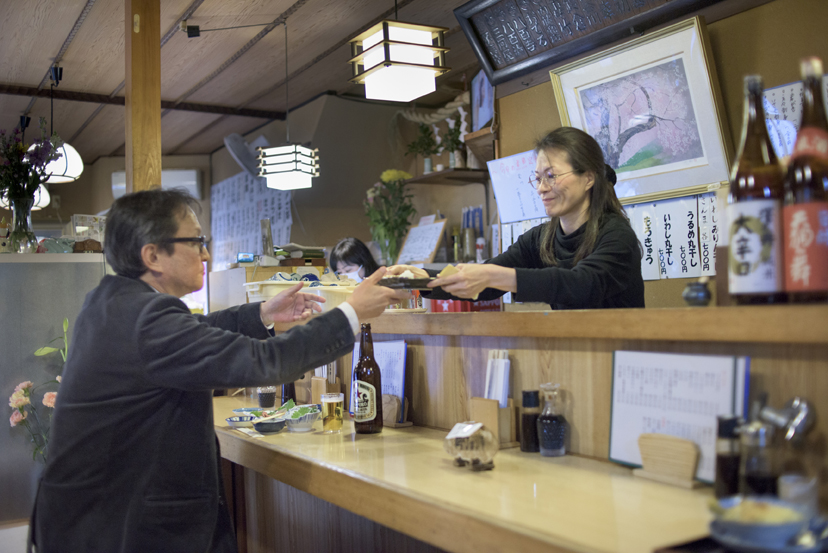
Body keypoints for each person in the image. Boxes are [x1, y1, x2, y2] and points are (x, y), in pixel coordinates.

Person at [30, 189, 409, 553]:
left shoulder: (113, 302)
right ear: (153, 255)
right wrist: (350, 313)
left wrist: (261, 314)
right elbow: (265, 362)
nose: (207, 253)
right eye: (196, 242)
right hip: (118, 529)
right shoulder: (147, 319)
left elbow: (194, 335)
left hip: (86, 519)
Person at [389, 127, 644, 310]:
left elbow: (581, 284)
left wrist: (494, 275)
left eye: (551, 176)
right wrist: (422, 277)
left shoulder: (617, 235)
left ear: (588, 178)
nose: (541, 188)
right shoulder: (541, 238)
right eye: (538, 177)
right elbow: (485, 281)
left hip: (621, 361)